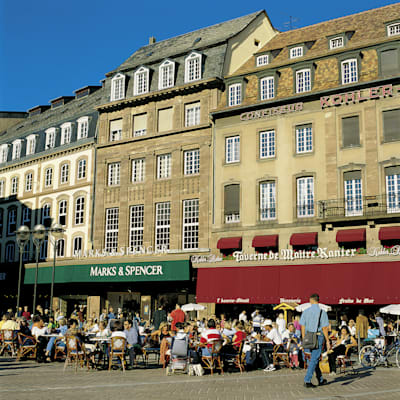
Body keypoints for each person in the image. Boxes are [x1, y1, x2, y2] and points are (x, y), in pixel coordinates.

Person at [300, 293, 330, 388]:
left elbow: (302, 326)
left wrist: (304, 337)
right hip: (318, 336)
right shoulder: (322, 312)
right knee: (314, 359)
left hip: (308, 336)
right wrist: (328, 341)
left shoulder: (305, 311)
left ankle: (320, 379)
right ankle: (307, 380)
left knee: (313, 359)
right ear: (318, 300)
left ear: (311, 300)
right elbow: (325, 328)